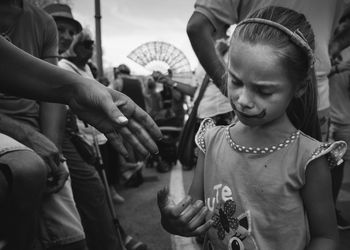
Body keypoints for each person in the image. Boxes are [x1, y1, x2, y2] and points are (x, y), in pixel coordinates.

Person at [158, 6, 346, 249]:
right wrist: (175, 222)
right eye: (235, 81)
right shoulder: (211, 142)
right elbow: (194, 212)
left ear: (299, 87)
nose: (243, 100)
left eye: (263, 90)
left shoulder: (308, 159)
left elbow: (326, 237)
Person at [0, 4, 161, 250]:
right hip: (33, 138)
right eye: (86, 44)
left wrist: (75, 93)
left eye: (89, 44)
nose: (68, 37)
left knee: (73, 239)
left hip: (49, 136)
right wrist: (32, 136)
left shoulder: (42, 23)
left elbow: (51, 88)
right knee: (28, 170)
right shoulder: (67, 64)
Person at [328, 27, 350, 231]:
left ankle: (332, 210)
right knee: (318, 169)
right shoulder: (324, 47)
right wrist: (337, 68)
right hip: (324, 118)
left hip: (344, 120)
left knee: (338, 168)